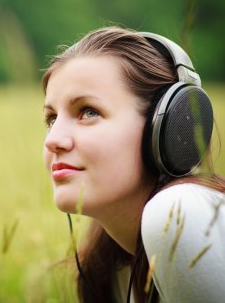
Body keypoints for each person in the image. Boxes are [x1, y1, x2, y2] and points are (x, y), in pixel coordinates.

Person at [42, 26, 225, 303]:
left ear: (168, 128)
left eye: (88, 112)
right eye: (52, 118)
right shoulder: (108, 265)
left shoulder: (177, 212)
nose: (53, 140)